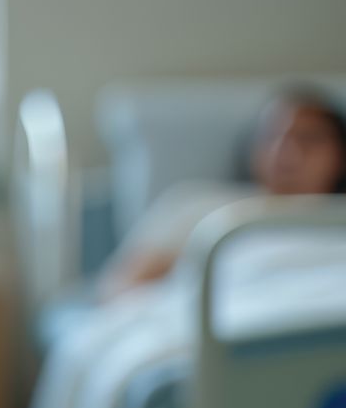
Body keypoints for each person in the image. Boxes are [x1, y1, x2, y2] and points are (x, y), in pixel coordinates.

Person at [98, 86, 346, 299]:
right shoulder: (199, 207)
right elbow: (120, 290)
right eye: (272, 137)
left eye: (309, 138)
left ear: (340, 155)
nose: (287, 152)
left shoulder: (338, 219)